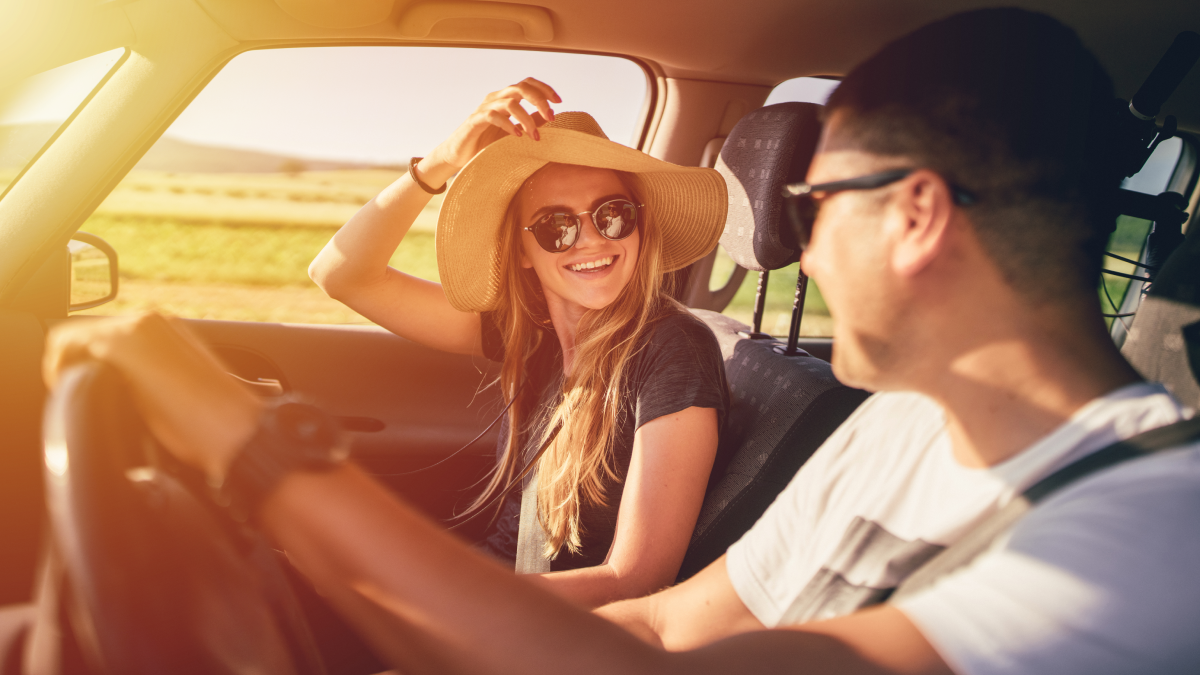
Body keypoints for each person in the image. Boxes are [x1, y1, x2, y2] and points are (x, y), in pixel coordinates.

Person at [42, 8, 1200, 674]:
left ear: (914, 214)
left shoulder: (1153, 531)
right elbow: (660, 625)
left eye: (807, 209)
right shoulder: (900, 429)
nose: (788, 253)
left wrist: (260, 455)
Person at [305, 80, 731, 604]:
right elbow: (340, 275)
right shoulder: (532, 334)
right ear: (523, 250)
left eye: (613, 214)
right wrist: (438, 163)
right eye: (556, 227)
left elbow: (637, 579)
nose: (594, 239)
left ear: (639, 226)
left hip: (524, 624)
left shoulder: (672, 348)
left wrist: (441, 602)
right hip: (486, 588)